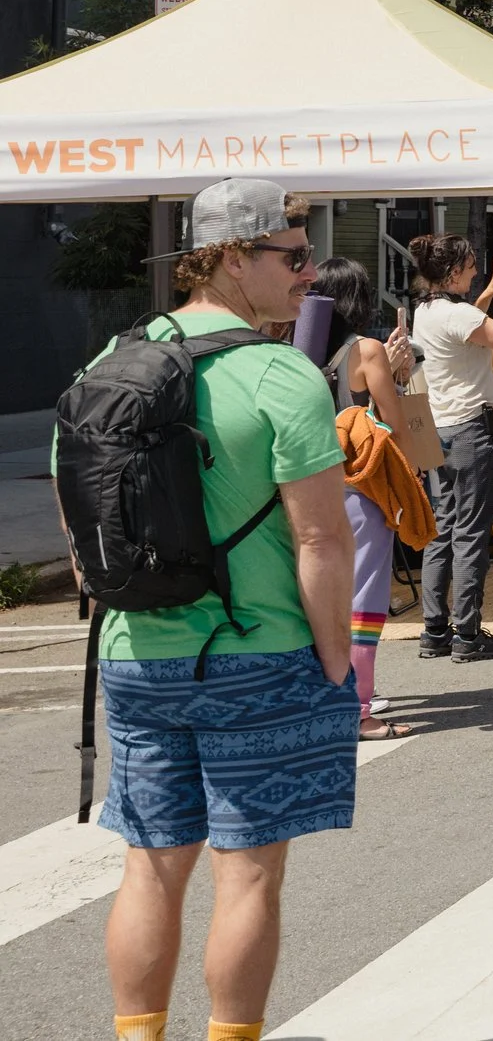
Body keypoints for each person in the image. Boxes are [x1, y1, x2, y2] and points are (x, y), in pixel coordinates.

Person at [82, 180, 357, 1041]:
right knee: (247, 877)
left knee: (152, 868)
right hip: (259, 650)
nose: (309, 274)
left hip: (133, 654)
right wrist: (339, 662)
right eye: (292, 256)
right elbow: (322, 541)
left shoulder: (105, 365)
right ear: (234, 258)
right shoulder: (281, 373)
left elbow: (82, 520)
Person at [407, 231, 493, 662]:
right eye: (470, 266)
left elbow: (465, 333)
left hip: (440, 428)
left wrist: (483, 296)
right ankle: (467, 633)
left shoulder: (426, 311)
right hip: (471, 430)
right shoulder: (459, 316)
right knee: (470, 533)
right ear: (451, 272)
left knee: (442, 529)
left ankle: (434, 630)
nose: (475, 271)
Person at [307, 258, 416, 740]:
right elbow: (393, 423)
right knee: (364, 599)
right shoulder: (367, 349)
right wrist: (395, 373)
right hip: (359, 488)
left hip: (305, 487)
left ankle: (318, 701)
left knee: (314, 597)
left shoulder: (295, 345)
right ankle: (359, 709)